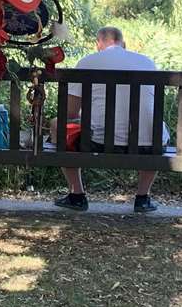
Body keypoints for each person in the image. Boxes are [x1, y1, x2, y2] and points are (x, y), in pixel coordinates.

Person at [54, 26, 167, 213]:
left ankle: (77, 195)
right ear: (124, 44)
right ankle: (142, 197)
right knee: (155, 129)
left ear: (98, 44)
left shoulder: (87, 62)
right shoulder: (147, 62)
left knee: (59, 126)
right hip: (149, 145)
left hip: (99, 142)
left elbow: (71, 112)